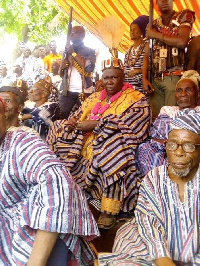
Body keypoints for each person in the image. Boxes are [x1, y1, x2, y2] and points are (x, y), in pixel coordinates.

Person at [47, 58, 151, 229]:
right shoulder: (95, 96)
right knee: (58, 126)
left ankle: (109, 208)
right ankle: (59, 182)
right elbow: (80, 113)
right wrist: (74, 120)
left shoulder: (136, 99)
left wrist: (97, 125)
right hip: (84, 137)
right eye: (106, 78)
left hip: (113, 139)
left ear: (122, 78)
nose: (109, 82)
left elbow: (133, 126)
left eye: (114, 78)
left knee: (112, 146)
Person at [0, 96, 99, 265]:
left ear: (5, 114)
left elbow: (58, 185)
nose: (109, 82)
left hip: (25, 239)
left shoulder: (22, 141)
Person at [99, 109, 200, 265]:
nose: (178, 152)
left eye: (189, 146)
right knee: (128, 243)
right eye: (172, 144)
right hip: (153, 245)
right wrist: (163, 259)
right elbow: (149, 223)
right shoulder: (154, 177)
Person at [137, 70, 200, 176]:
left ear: (198, 94)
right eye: (179, 90)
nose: (183, 94)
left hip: (189, 149)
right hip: (164, 148)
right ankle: (157, 185)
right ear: (175, 95)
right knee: (144, 149)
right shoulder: (166, 110)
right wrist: (166, 143)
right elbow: (154, 136)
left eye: (188, 90)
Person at [143, 0, 195, 119]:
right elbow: (146, 54)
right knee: (157, 120)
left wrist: (155, 35)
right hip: (155, 80)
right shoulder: (153, 24)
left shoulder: (184, 16)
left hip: (174, 77)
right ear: (156, 3)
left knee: (173, 118)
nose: (164, 1)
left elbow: (182, 41)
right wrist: (144, 78)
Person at [59, 26, 96, 118]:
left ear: (83, 35)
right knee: (62, 116)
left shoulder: (90, 51)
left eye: (75, 32)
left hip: (84, 90)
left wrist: (74, 53)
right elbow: (61, 74)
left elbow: (88, 68)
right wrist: (61, 67)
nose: (71, 34)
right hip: (66, 90)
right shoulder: (66, 51)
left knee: (84, 116)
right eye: (71, 32)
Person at [124, 15, 149, 93]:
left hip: (141, 88)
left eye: (134, 29)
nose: (132, 32)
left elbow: (152, 67)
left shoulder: (147, 47)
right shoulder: (128, 51)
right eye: (131, 29)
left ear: (141, 31)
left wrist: (139, 70)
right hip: (128, 89)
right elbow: (125, 70)